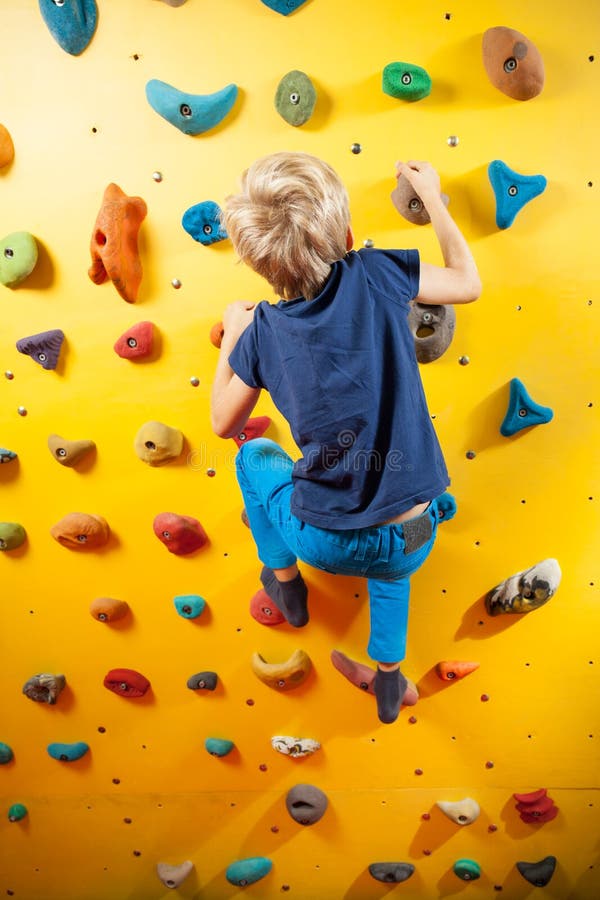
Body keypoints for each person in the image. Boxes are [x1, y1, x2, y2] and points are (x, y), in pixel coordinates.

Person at [211, 152, 481, 724]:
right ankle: (389, 677)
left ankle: (284, 580)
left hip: (325, 544)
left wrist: (231, 339)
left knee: (256, 456)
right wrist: (431, 196)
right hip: (416, 531)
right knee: (393, 569)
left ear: (258, 264)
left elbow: (222, 423)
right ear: (350, 234)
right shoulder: (378, 272)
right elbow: (466, 283)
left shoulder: (260, 330)